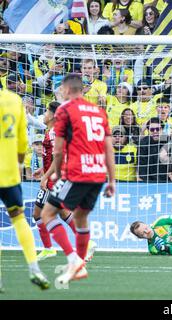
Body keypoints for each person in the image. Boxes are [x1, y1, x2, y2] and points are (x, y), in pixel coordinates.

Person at [41, 74, 116, 285]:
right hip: (98, 174)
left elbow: (58, 150)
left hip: (76, 173)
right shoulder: (100, 112)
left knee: (47, 214)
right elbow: (108, 148)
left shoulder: (65, 110)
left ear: (66, 89)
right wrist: (112, 180)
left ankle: (74, 260)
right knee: (81, 217)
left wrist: (56, 172)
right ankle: (80, 265)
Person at [0, 85, 50, 290]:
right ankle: (34, 267)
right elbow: (22, 143)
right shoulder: (14, 100)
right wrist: (18, 168)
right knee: (19, 218)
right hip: (10, 173)